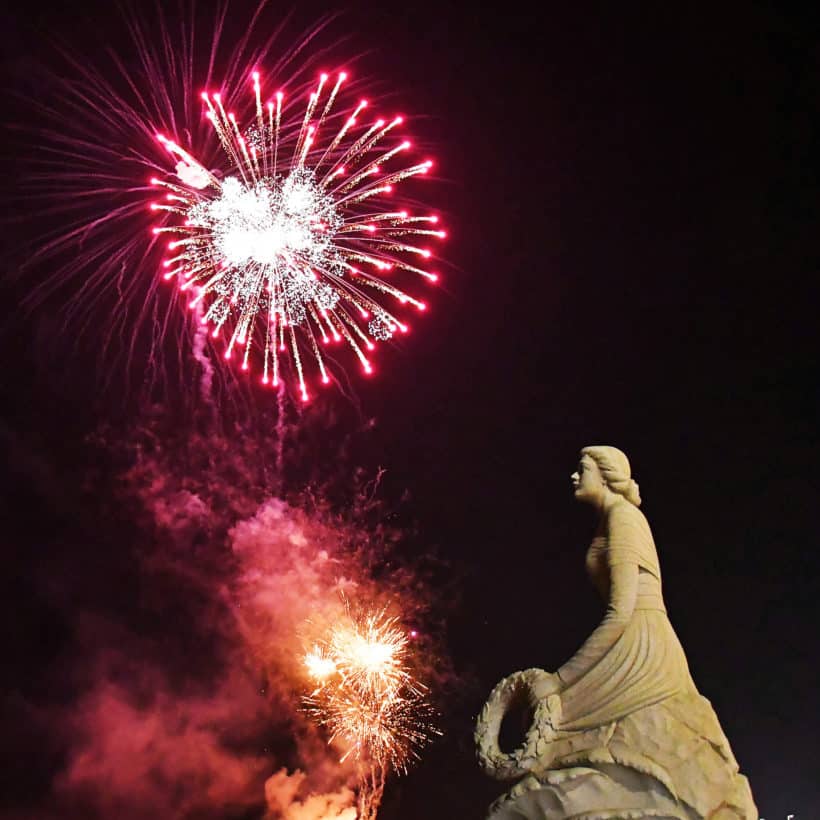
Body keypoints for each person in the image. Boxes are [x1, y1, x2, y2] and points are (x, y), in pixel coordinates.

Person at [476, 446, 756, 819]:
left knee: (566, 733)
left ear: (606, 476)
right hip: (636, 636)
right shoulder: (613, 520)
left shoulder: (624, 519)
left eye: (582, 469)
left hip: (639, 645)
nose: (574, 477)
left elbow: (621, 611)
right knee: (575, 740)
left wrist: (561, 679)